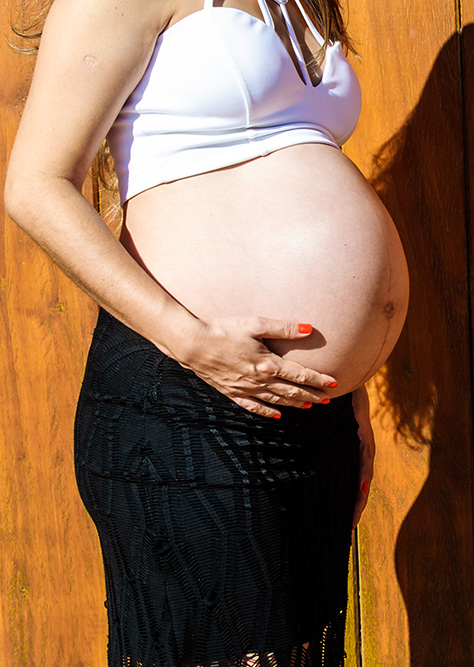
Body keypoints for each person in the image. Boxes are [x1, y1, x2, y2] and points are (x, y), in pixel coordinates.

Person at [3, 0, 409, 663]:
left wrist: (351, 388)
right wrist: (189, 339)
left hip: (308, 409)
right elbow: (35, 186)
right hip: (191, 393)